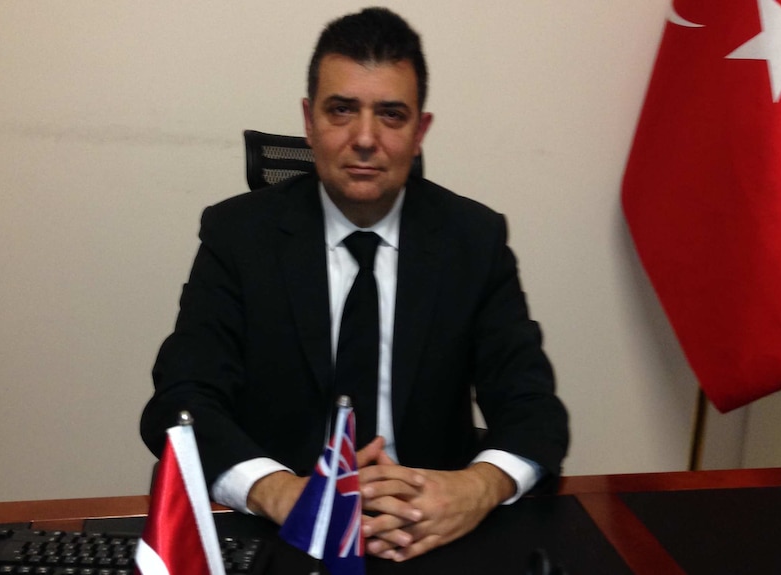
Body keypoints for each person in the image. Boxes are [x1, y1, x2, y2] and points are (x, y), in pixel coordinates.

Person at [141, 6, 568, 562]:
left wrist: (473, 488)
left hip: (427, 530)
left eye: (391, 115)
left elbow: (533, 408)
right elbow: (181, 401)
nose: (365, 138)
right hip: (285, 532)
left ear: (420, 131)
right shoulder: (239, 236)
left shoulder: (472, 239)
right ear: (308, 120)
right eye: (342, 110)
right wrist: (281, 494)